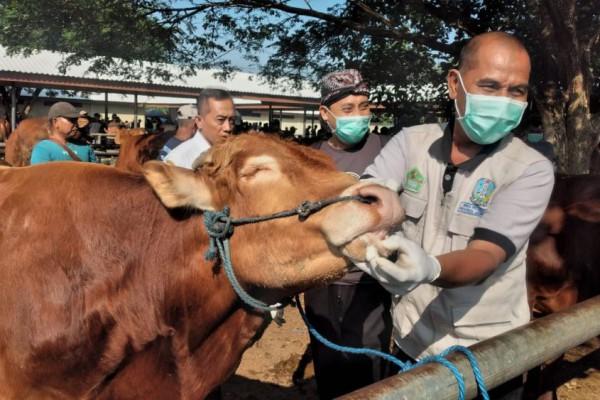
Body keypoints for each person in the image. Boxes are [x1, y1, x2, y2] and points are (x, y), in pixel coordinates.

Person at [355, 32, 555, 399]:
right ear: (454, 83)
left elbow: (485, 255)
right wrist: (380, 204)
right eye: (490, 86)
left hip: (488, 354)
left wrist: (429, 268)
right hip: (412, 342)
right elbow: (372, 190)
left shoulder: (530, 168)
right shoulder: (411, 142)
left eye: (517, 91)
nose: (503, 101)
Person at [303, 69, 394, 399]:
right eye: (347, 109)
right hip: (321, 283)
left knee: (368, 368)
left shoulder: (388, 151)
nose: (359, 116)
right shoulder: (310, 159)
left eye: (364, 106)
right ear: (325, 114)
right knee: (328, 365)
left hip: (370, 285)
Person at [164, 88, 235, 169]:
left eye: (232, 120)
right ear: (199, 121)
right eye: (220, 120)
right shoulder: (178, 161)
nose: (228, 128)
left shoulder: (234, 157)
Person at [30, 102, 96, 164]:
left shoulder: (86, 147)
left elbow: (96, 174)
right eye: (71, 120)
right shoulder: (43, 148)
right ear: (55, 122)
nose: (76, 124)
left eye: (76, 120)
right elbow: (39, 175)